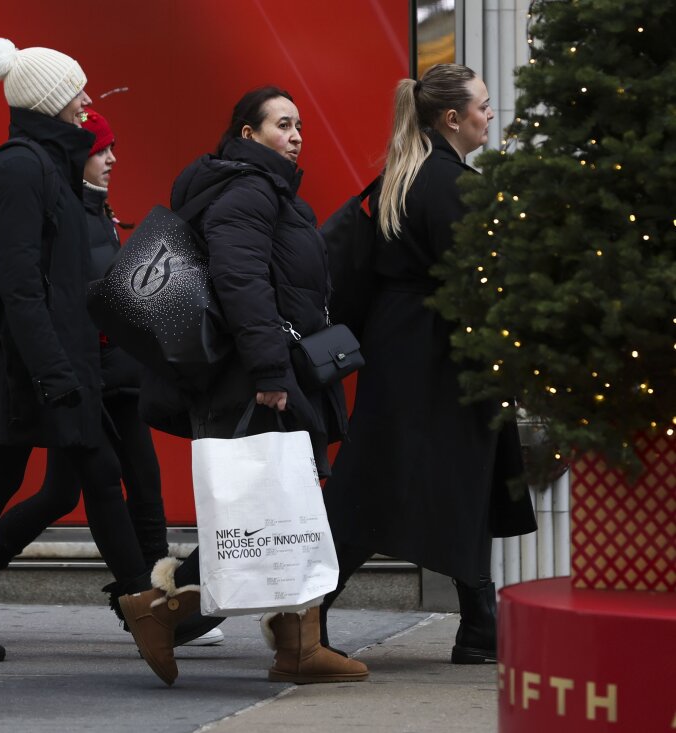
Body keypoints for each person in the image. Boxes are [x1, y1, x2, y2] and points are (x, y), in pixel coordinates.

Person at [0, 39, 152, 663]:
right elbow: (20, 286)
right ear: (49, 102)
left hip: (54, 363)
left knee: (89, 477)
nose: (87, 103)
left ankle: (150, 614)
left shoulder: (52, 168)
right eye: (77, 93)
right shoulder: (22, 169)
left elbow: (61, 282)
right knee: (2, 479)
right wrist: (55, 372)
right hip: (28, 366)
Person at [118, 87, 369, 686]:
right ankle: (161, 611)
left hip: (261, 368)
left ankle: (297, 644)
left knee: (290, 509)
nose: (297, 134)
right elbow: (241, 281)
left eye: (300, 124)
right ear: (249, 135)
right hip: (255, 375)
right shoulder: (249, 191)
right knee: (279, 510)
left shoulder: (262, 190)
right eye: (283, 124)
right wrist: (269, 373)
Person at [0, 109, 223, 647]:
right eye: (102, 149)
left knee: (132, 487)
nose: (112, 159)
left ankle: (158, 605)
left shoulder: (99, 211)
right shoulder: (66, 211)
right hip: (87, 382)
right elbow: (58, 299)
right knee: (70, 489)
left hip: (119, 379)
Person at [319, 64, 537, 664]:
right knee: (385, 484)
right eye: (484, 106)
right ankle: (307, 614)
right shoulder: (451, 185)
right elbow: (480, 282)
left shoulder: (409, 173)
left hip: (409, 346)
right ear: (452, 118)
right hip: (441, 352)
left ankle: (478, 621)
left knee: (447, 478)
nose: (490, 115)